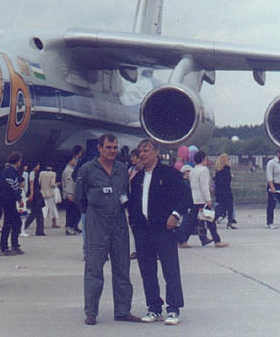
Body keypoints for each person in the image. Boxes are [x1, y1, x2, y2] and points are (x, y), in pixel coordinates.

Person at [75, 133, 139, 325]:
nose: (112, 151)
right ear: (99, 148)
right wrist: (95, 215)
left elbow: (126, 194)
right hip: (97, 226)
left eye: (114, 148)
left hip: (119, 225)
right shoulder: (87, 170)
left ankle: (122, 310)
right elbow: (79, 199)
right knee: (94, 270)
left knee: (122, 269)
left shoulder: (121, 169)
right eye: (108, 147)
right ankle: (91, 312)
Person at [129, 139, 189, 325]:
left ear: (156, 152)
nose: (142, 154)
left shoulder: (169, 174)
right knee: (147, 271)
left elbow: (185, 197)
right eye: (140, 151)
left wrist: (175, 215)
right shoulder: (137, 178)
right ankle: (154, 307)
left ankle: (173, 308)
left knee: (170, 269)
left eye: (146, 150)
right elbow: (132, 204)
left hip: (164, 229)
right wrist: (135, 226)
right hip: (143, 231)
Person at [186, 150, 226, 247]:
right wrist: (208, 199)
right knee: (210, 219)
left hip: (195, 198)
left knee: (192, 221)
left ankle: (184, 239)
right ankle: (217, 240)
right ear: (203, 159)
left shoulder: (193, 170)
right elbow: (204, 186)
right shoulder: (204, 170)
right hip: (202, 199)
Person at [0, 152, 24, 255]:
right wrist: (19, 198)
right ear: (17, 161)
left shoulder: (7, 170)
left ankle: (9, 245)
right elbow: (13, 186)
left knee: (9, 223)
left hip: (6, 200)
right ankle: (10, 246)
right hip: (9, 200)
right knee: (14, 223)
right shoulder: (10, 171)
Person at [213, 153, 237, 228]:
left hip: (219, 191)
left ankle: (214, 218)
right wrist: (230, 176)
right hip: (226, 190)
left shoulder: (218, 169)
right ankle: (229, 222)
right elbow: (227, 180)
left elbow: (217, 180)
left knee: (221, 206)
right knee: (229, 206)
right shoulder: (226, 168)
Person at [265, 149, 280, 228]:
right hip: (274, 185)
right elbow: (269, 176)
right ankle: (269, 222)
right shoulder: (271, 163)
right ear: (278, 154)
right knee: (271, 205)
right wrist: (272, 187)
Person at [23, 162, 46, 236]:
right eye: (38, 165)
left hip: (37, 194)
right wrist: (31, 194)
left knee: (39, 213)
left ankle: (40, 230)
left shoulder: (35, 174)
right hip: (35, 194)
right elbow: (31, 184)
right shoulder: (32, 174)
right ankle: (23, 227)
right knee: (35, 213)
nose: (39, 166)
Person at [62, 155, 81, 235]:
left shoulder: (70, 170)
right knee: (71, 212)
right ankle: (70, 228)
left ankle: (72, 227)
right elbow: (69, 183)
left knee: (73, 212)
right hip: (70, 195)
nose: (75, 161)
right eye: (74, 160)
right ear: (70, 161)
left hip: (71, 194)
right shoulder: (69, 171)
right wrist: (70, 194)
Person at [39, 164, 60, 229]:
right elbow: (52, 184)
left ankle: (41, 224)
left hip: (42, 193)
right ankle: (54, 224)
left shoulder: (41, 173)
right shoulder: (53, 174)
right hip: (50, 194)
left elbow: (39, 182)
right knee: (53, 209)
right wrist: (57, 184)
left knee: (44, 209)